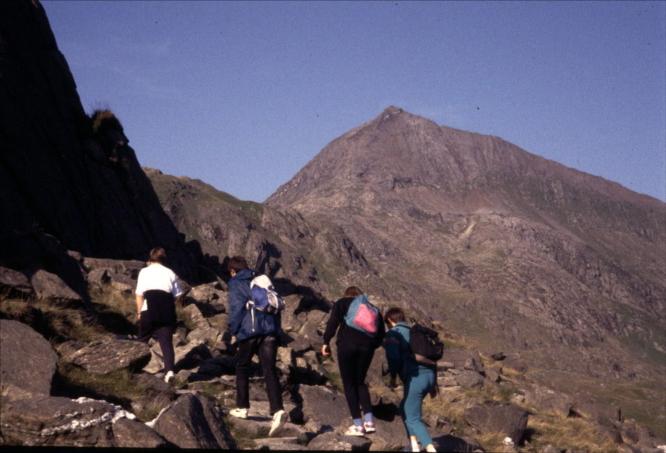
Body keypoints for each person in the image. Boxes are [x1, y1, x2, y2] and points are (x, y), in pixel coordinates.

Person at [226, 256, 286, 437]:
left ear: (232, 270)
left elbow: (237, 309)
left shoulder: (236, 282)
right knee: (269, 370)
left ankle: (242, 407)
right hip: (270, 331)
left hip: (250, 330)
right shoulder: (260, 279)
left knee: (242, 366)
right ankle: (278, 410)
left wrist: (234, 331)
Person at [321, 286, 385, 436]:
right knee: (360, 382)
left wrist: (326, 342)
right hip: (367, 348)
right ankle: (369, 422)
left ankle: (358, 425)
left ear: (347, 294)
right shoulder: (373, 308)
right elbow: (381, 334)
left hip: (347, 345)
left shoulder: (342, 303)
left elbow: (333, 323)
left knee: (349, 384)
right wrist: (370, 346)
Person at [384, 307, 437, 453]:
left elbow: (393, 357)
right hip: (430, 376)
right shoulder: (416, 331)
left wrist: (393, 377)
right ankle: (413, 445)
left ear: (390, 320)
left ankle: (429, 447)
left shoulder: (394, 334)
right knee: (404, 409)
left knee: (413, 417)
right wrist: (433, 386)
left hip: (416, 378)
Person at [135, 247, 184, 384]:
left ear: (150, 259)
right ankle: (169, 372)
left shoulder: (144, 272)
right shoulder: (171, 273)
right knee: (166, 343)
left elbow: (139, 294)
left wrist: (139, 313)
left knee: (142, 340)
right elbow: (178, 295)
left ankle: (133, 367)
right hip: (166, 310)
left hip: (148, 309)